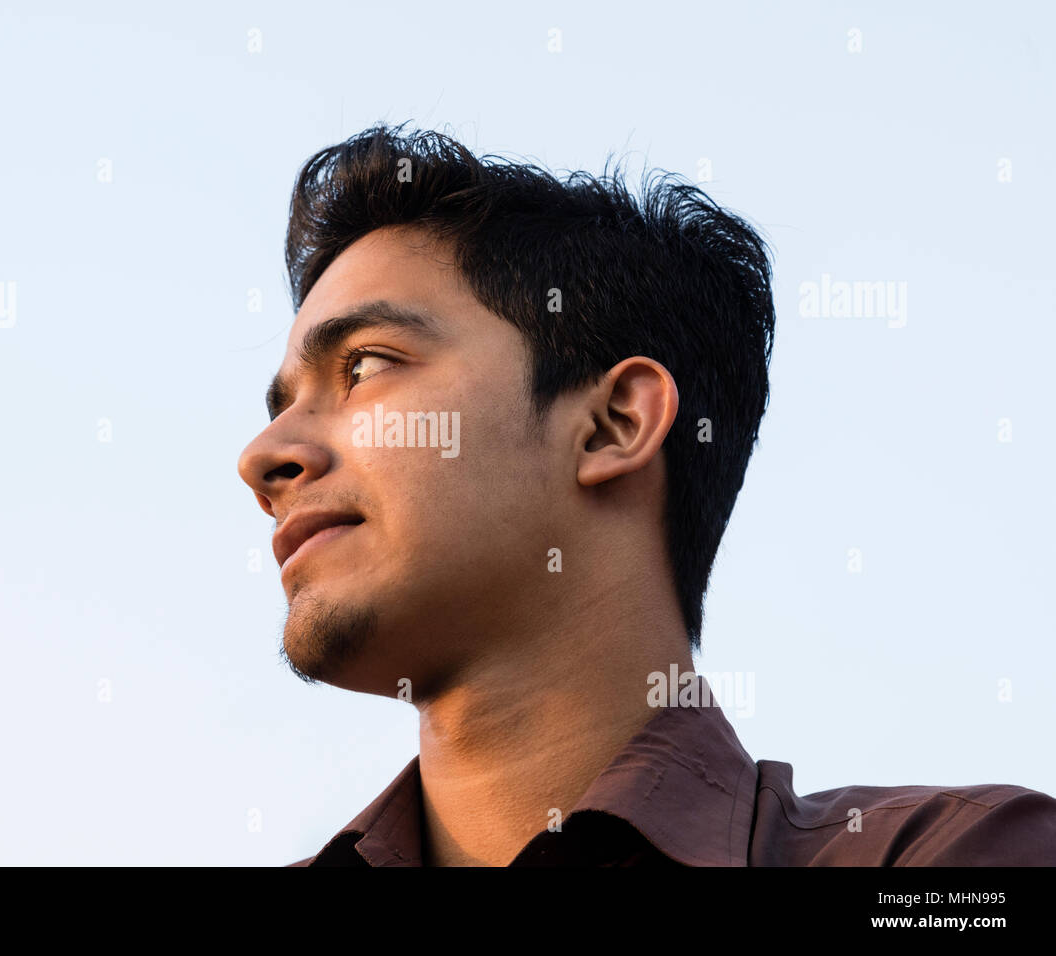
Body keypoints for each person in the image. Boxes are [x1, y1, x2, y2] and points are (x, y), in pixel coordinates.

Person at [236, 122, 1056, 866]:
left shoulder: (958, 863)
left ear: (613, 424)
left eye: (366, 367)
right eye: (281, 407)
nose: (264, 456)